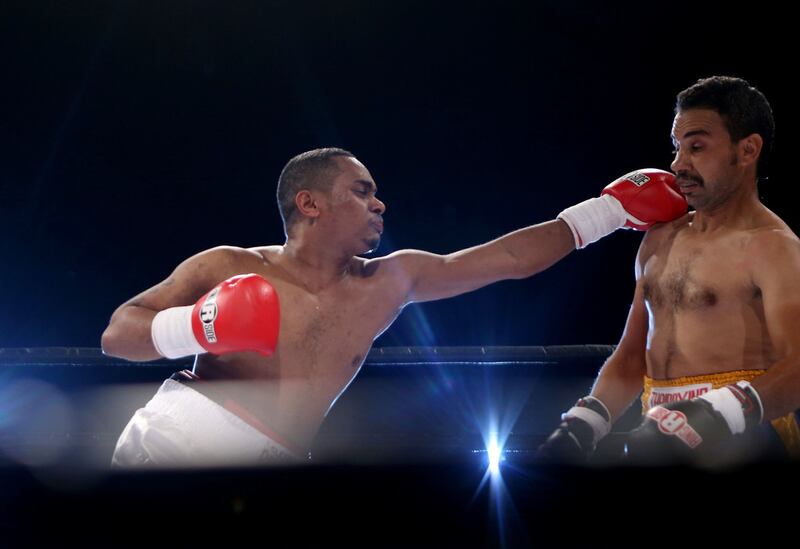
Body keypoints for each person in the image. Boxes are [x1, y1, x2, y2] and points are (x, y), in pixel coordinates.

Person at [101, 148, 685, 467]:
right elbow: (118, 333)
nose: (379, 203)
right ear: (310, 203)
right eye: (361, 190)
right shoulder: (228, 266)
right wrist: (197, 326)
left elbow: (507, 259)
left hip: (280, 456)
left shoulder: (389, 280)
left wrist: (606, 213)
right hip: (181, 437)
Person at [539, 76, 800, 467]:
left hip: (751, 430)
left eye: (696, 147)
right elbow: (630, 359)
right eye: (677, 148)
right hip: (658, 428)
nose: (679, 164)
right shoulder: (659, 240)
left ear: (747, 150)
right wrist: (584, 422)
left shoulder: (773, 247)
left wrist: (719, 412)